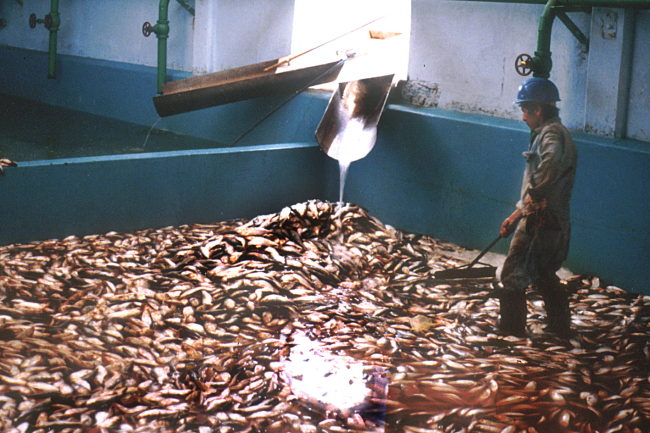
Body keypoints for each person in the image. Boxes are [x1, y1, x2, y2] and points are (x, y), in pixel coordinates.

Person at [498, 77, 578, 338]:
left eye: (524, 110)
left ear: (538, 110)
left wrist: (523, 213)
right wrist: (514, 215)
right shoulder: (555, 132)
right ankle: (560, 329)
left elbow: (547, 171)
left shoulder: (551, 134)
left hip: (540, 221)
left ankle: (510, 334)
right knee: (542, 272)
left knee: (512, 274)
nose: (523, 117)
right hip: (552, 220)